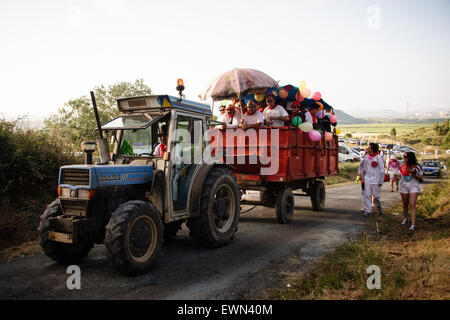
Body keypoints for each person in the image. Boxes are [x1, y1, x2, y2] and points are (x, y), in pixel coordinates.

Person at [358, 143, 385, 216]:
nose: (368, 148)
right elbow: (364, 168)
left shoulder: (378, 157)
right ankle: (368, 210)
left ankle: (379, 207)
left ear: (372, 149)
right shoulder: (366, 157)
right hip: (367, 179)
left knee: (376, 197)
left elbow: (382, 170)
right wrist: (361, 175)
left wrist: (380, 181)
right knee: (367, 195)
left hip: (376, 180)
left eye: (369, 147)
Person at [399, 152, 423, 231]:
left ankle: (413, 224)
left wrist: (415, 175)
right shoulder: (402, 166)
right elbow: (399, 176)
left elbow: (421, 177)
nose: (404, 159)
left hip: (413, 186)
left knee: (412, 204)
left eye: (406, 157)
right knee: (405, 204)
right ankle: (405, 218)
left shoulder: (417, 167)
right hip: (403, 186)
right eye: (404, 157)